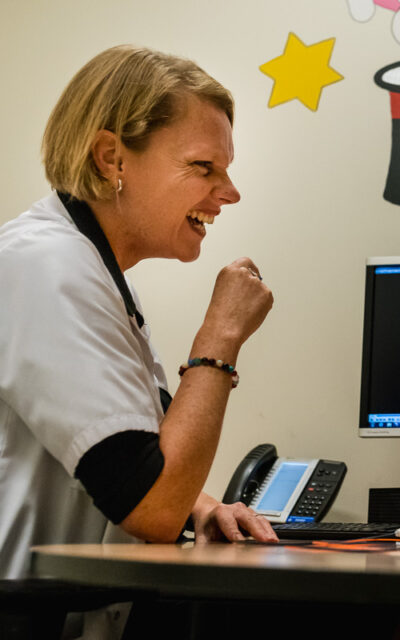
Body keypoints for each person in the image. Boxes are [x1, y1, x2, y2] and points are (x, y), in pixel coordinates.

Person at [0, 45, 279, 583]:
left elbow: (117, 461)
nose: (230, 192)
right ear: (112, 158)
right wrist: (220, 335)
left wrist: (198, 503)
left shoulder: (92, 272)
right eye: (204, 166)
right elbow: (150, 508)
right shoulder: (46, 266)